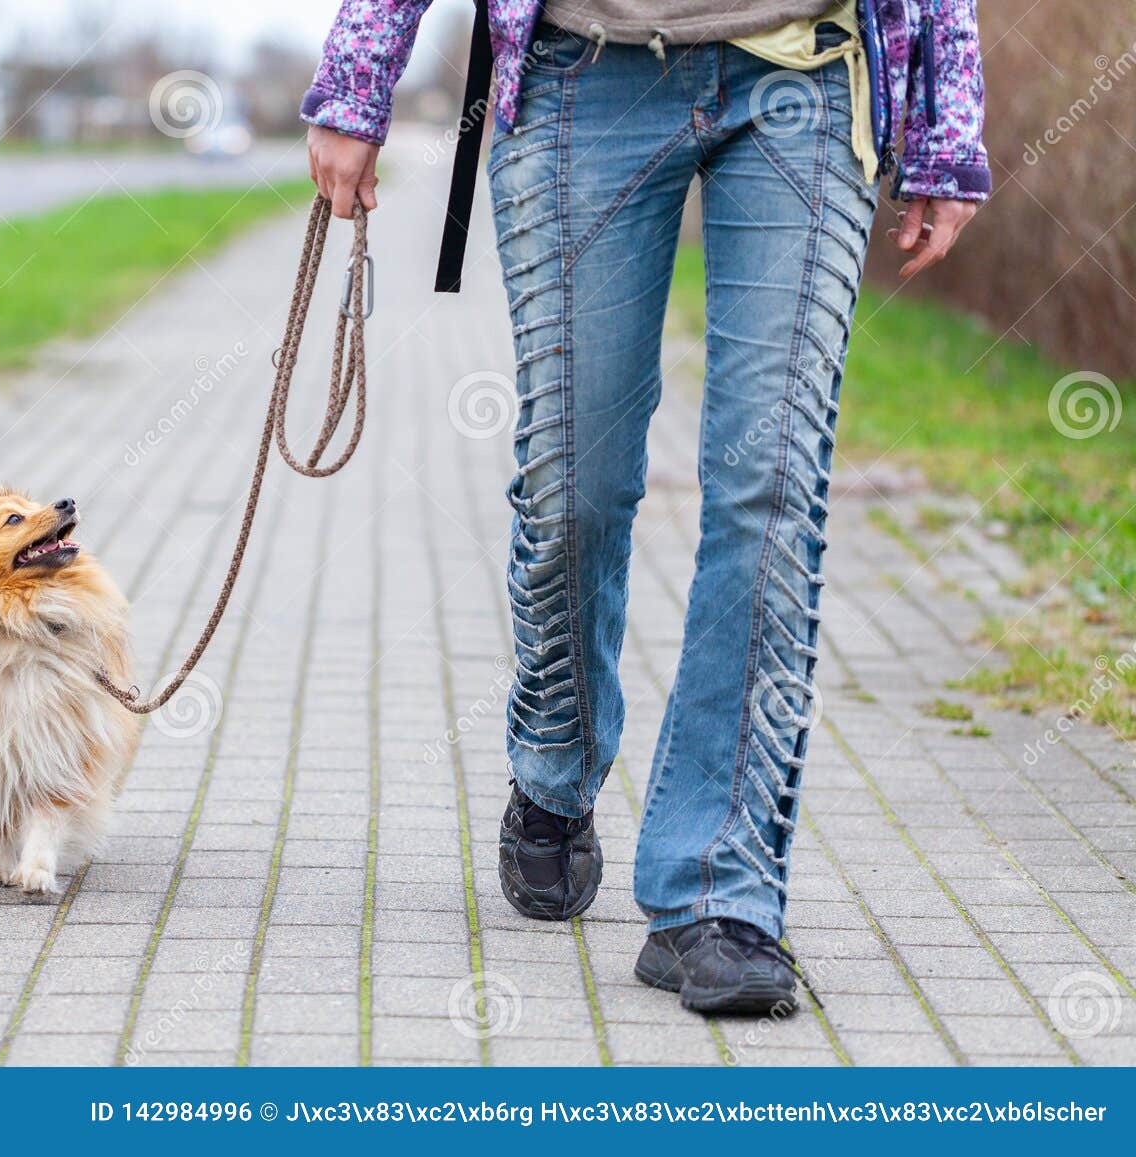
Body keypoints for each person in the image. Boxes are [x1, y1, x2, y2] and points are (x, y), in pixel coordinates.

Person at [303, 0, 989, 1016]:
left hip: (804, 74)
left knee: (771, 483)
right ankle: (555, 760)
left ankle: (721, 892)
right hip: (585, 73)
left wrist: (947, 131)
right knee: (573, 484)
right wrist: (359, 81)